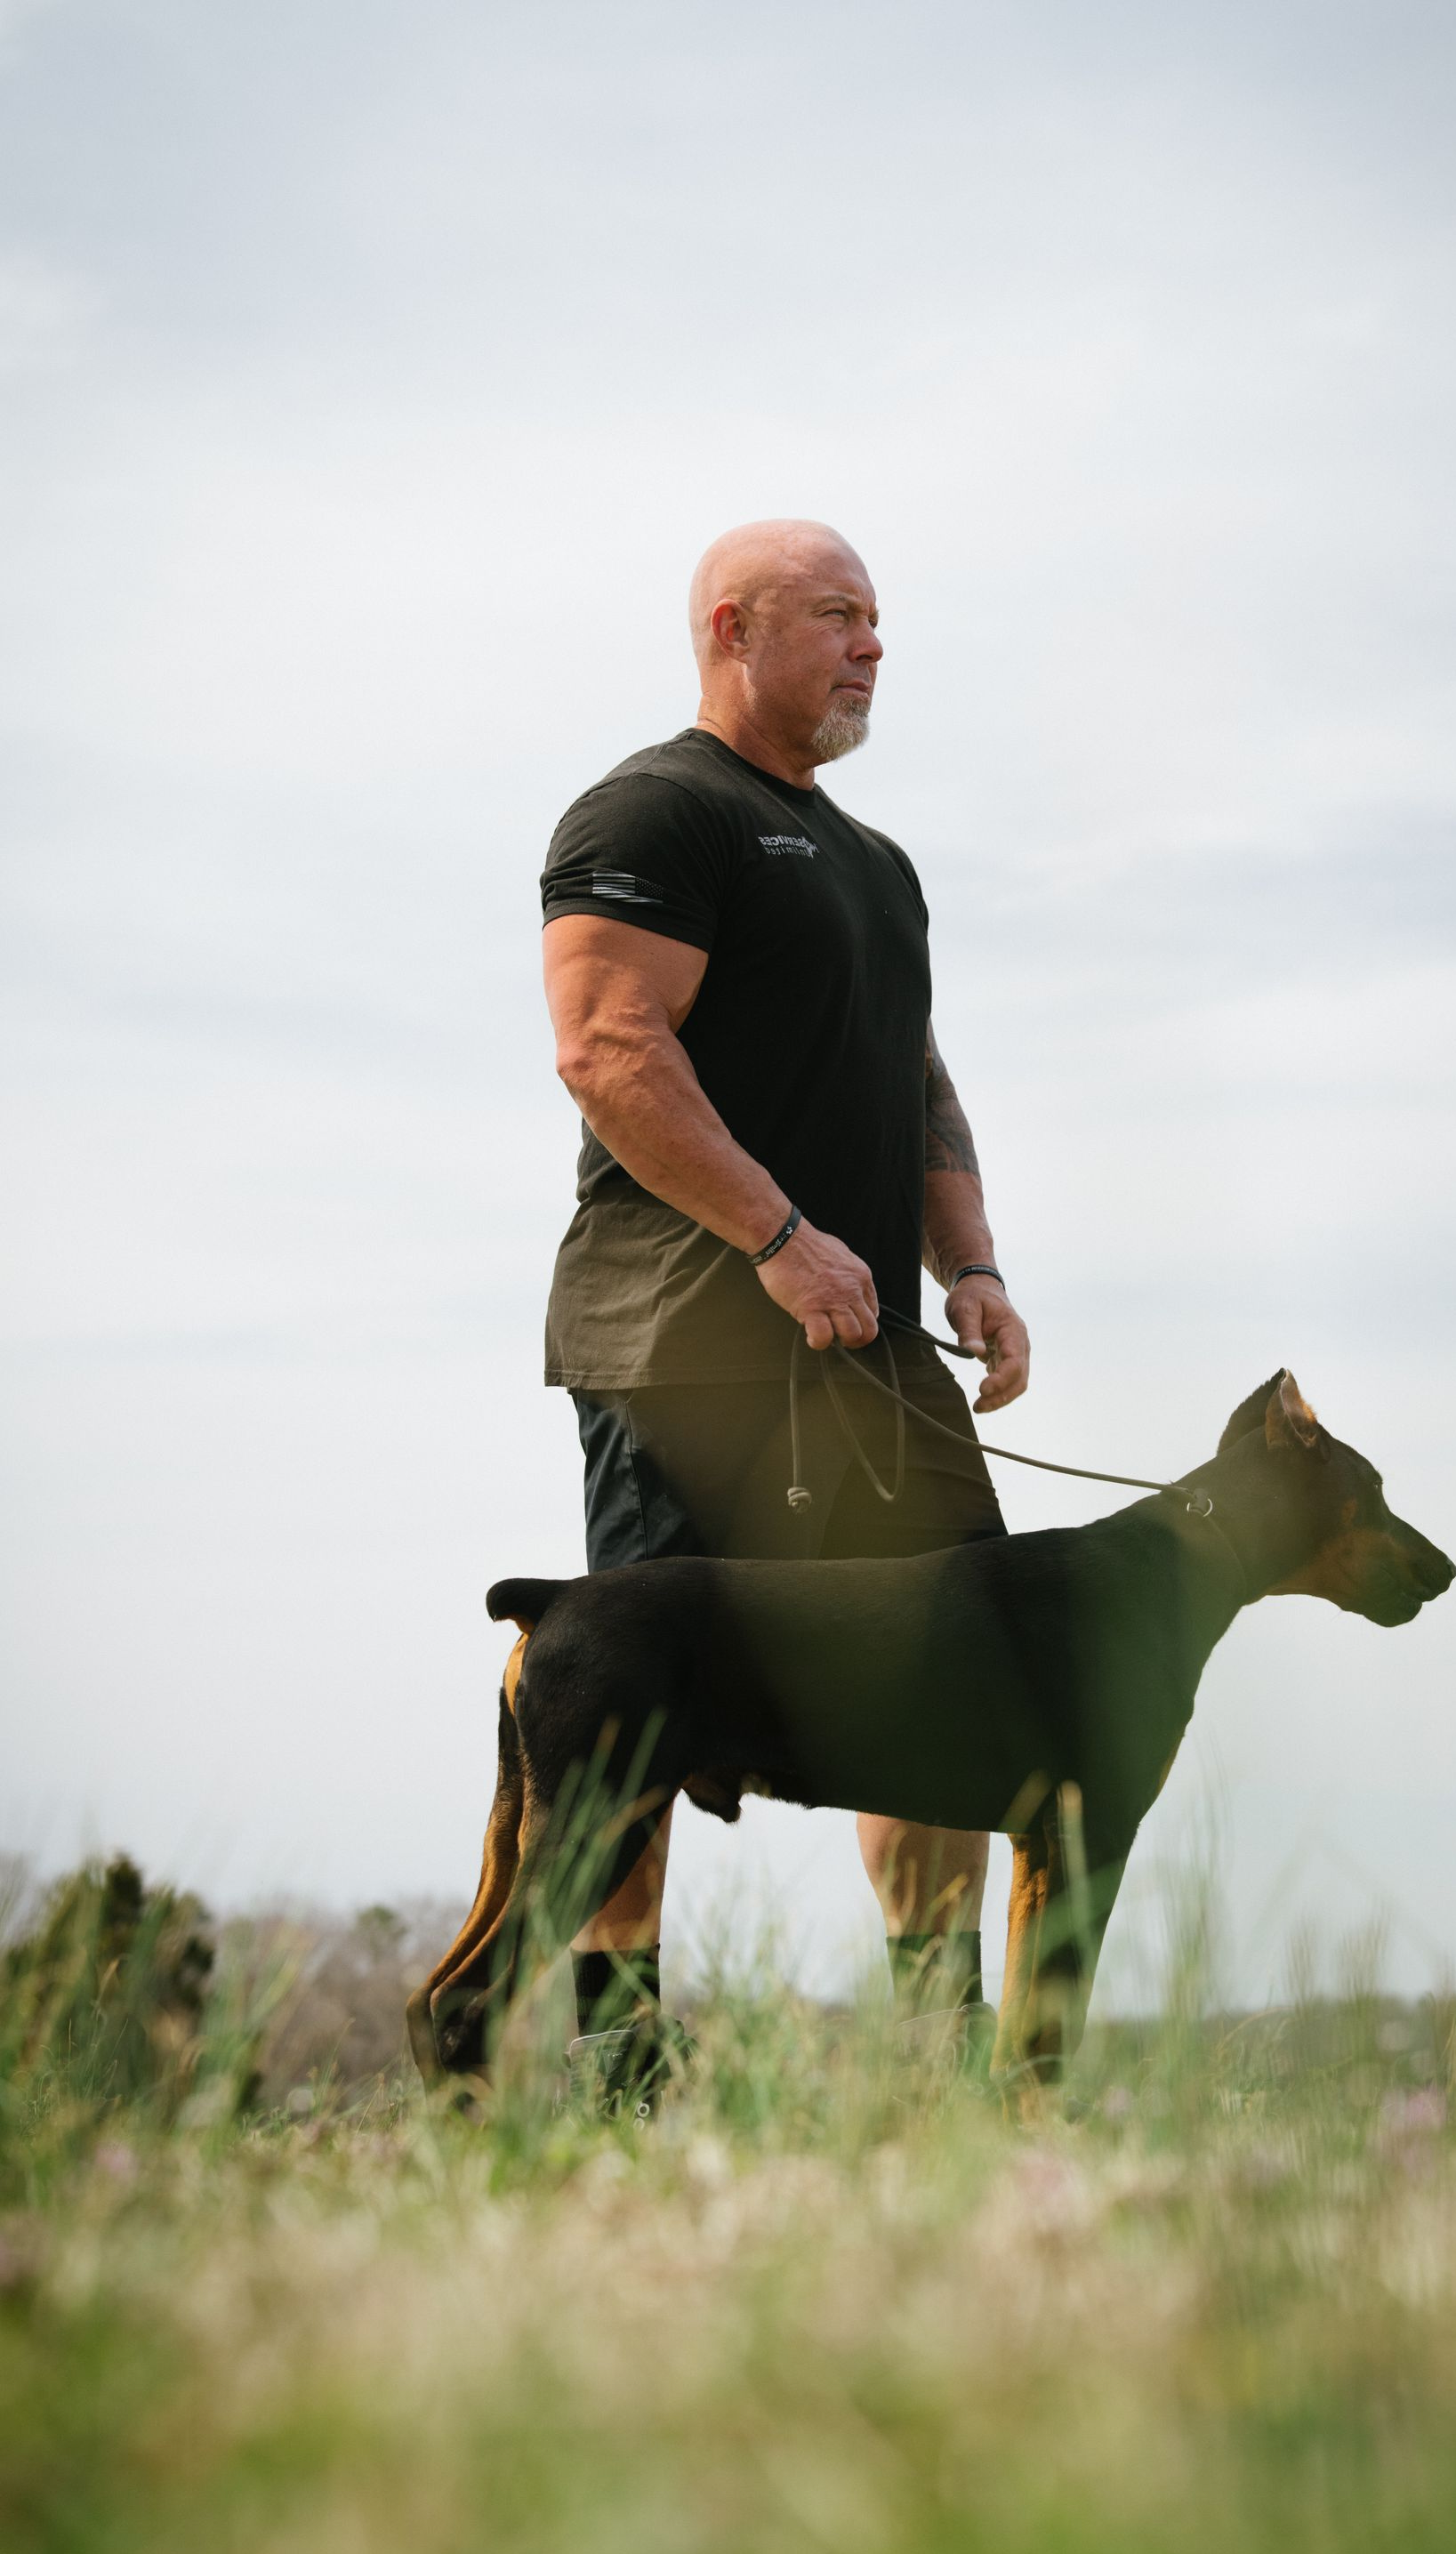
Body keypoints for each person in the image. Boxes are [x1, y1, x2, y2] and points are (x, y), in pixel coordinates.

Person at [537, 518, 1031, 2059]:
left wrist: (975, 1264)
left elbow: (913, 1076)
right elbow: (610, 1047)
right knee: (637, 1712)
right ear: (735, 629)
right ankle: (623, 2072)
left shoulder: (879, 867)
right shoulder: (654, 810)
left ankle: (946, 2060)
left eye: (880, 618)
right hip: (688, 1343)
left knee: (964, 1680)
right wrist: (775, 1236)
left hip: (871, 1347)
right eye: (839, 615)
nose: (873, 644)